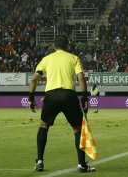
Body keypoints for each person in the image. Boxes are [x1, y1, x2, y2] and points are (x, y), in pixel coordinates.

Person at [28, 35, 96, 173]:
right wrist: (84, 97)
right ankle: (81, 164)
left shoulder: (46, 59)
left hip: (51, 96)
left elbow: (33, 80)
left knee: (43, 126)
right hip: (68, 95)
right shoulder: (73, 58)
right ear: (67, 46)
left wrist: (31, 98)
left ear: (54, 46)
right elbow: (81, 77)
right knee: (78, 129)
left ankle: (40, 161)